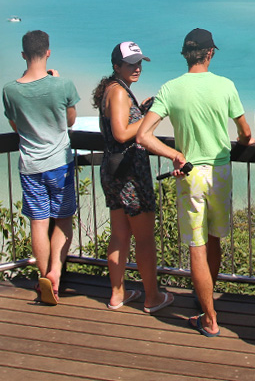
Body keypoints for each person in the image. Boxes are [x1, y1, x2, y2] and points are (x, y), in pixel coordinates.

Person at [136, 28, 253, 337]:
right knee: (213, 239)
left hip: (189, 173)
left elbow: (143, 135)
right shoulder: (225, 86)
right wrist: (240, 143)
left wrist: (174, 153)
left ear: (186, 56)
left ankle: (208, 314)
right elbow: (245, 133)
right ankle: (209, 309)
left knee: (197, 246)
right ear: (210, 54)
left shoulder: (170, 89)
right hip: (221, 171)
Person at [92, 41, 174, 313]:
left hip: (114, 171)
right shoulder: (117, 93)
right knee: (144, 238)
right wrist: (152, 116)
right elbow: (121, 133)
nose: (137, 68)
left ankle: (118, 293)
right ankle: (152, 296)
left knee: (119, 235)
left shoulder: (114, 89)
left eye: (139, 63)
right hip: (130, 175)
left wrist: (144, 109)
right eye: (131, 64)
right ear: (116, 66)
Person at [2, 30, 80, 305]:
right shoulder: (63, 85)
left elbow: (15, 126)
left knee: (38, 221)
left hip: (30, 165)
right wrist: (56, 82)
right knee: (64, 219)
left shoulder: (10, 90)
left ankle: (44, 275)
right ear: (48, 52)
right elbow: (70, 121)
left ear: (23, 55)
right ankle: (56, 272)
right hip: (59, 163)